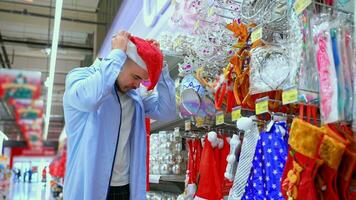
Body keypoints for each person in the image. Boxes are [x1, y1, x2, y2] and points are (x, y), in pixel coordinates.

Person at [63, 31, 176, 200]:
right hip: (87, 187)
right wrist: (116, 54)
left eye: (141, 81)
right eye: (136, 77)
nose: (138, 86)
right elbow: (90, 100)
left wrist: (159, 65)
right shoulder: (79, 77)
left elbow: (167, 111)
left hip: (125, 189)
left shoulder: (134, 98)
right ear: (120, 61)